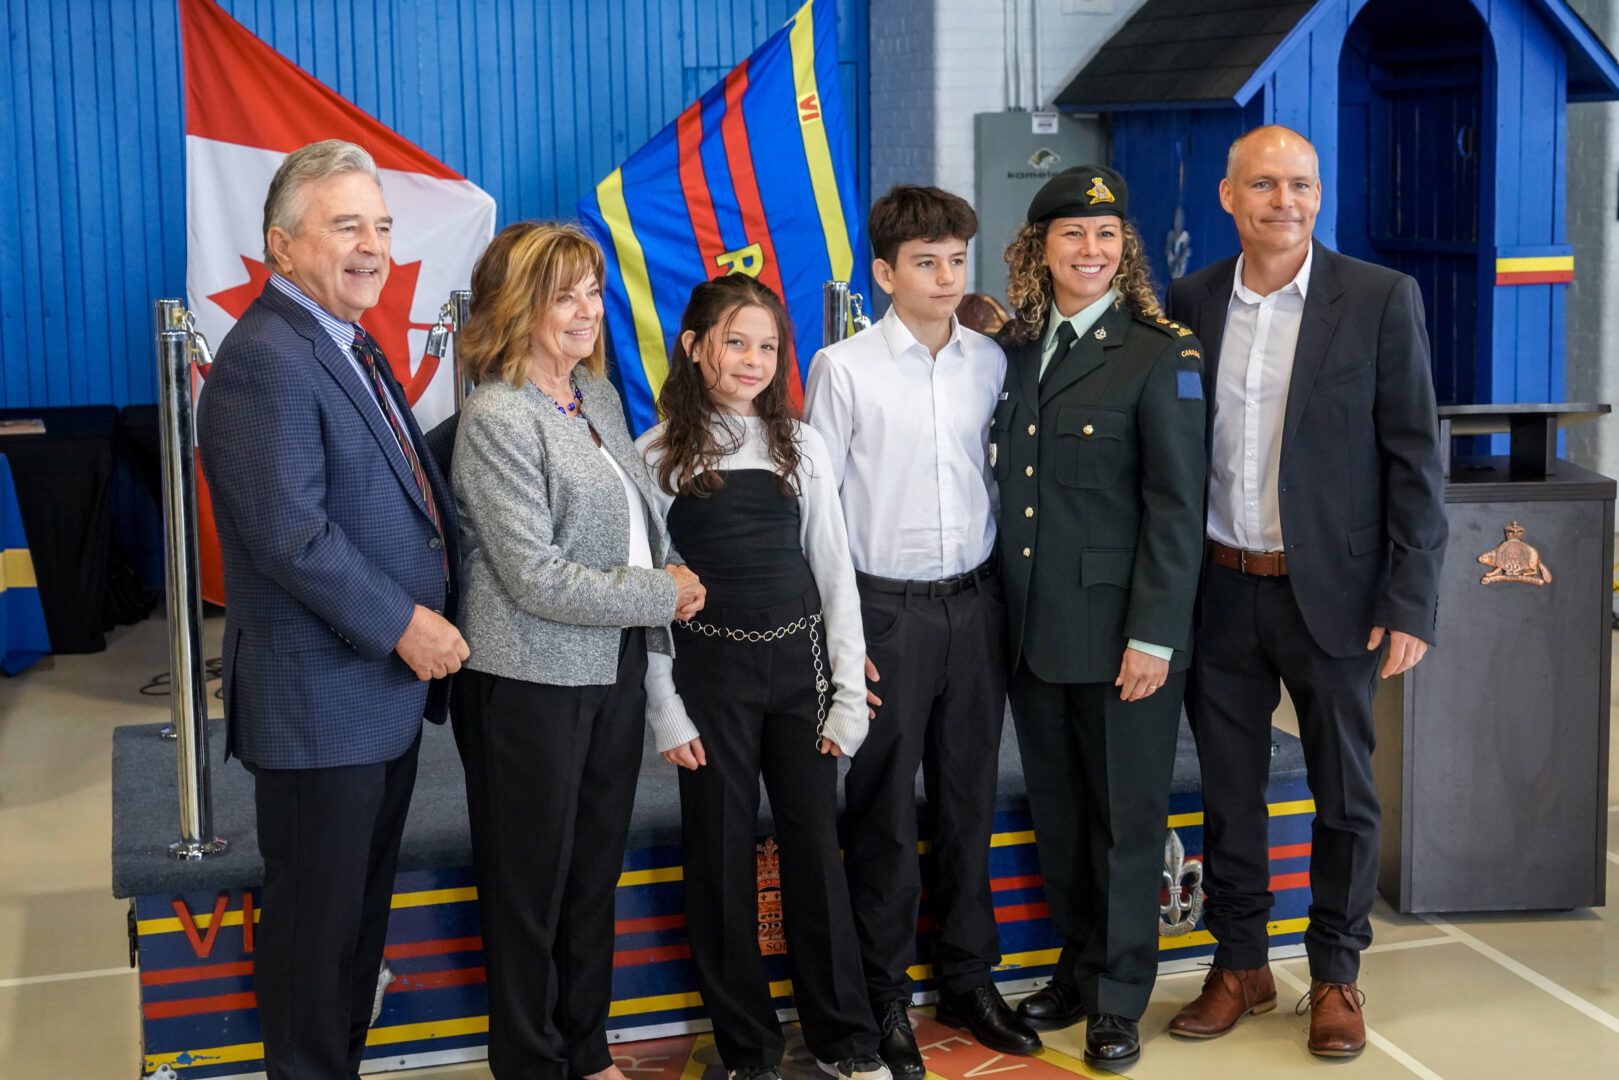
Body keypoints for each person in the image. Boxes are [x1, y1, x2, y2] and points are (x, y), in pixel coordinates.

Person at [1164, 125, 1447, 1059]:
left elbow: (1415, 459)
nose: (1284, 201)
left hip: (1334, 594)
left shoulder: (1376, 298)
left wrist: (1408, 599)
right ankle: (1241, 962)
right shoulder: (1192, 301)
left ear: (1317, 196)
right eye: (1264, 185)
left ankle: (1335, 973)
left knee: (1342, 796)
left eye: (1301, 185)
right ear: (1228, 197)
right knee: (1229, 792)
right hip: (1219, 589)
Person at [197, 139, 468, 1080]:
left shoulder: (347, 340)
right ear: (281, 243)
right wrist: (406, 623)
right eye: (346, 224)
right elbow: (292, 535)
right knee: (318, 946)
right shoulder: (264, 359)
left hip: (372, 703)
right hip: (321, 706)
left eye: (383, 225)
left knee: (354, 932)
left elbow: (399, 483)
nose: (373, 245)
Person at [449, 221, 705, 1080]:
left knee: (592, 873)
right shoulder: (495, 415)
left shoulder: (591, 396)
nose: (587, 310)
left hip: (611, 669)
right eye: (565, 294)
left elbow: (625, 523)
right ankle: (528, 1061)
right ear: (518, 305)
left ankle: (585, 1051)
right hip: (527, 679)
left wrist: (663, 565)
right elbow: (533, 577)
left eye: (593, 291)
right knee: (530, 890)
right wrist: (658, 593)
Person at [804, 184, 1039, 1075]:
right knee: (881, 815)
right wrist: (838, 636)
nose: (944, 277)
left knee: (969, 799)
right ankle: (882, 995)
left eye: (955, 260)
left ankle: (969, 978)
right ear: (883, 273)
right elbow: (817, 507)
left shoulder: (991, 360)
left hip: (974, 604)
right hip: (884, 612)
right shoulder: (844, 367)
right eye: (924, 262)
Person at [637, 274, 890, 1080]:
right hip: (707, 680)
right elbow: (647, 597)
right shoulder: (653, 455)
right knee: (718, 861)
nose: (752, 360)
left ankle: (844, 1040)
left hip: (798, 672)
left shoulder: (800, 444)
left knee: (815, 853)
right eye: (735, 342)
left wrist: (846, 693)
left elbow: (834, 575)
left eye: (767, 347)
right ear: (693, 345)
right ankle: (747, 1050)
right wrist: (665, 712)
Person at [991, 165, 1207, 1070]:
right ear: (1039, 249)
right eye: (1073, 235)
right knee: (1062, 818)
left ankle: (1120, 997)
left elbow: (1176, 506)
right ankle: (1077, 973)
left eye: (1108, 236)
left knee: (1125, 823)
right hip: (1033, 633)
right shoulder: (1012, 347)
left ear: (1125, 253)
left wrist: (1153, 636)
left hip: (1124, 637)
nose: (1091, 249)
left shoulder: (1162, 353)